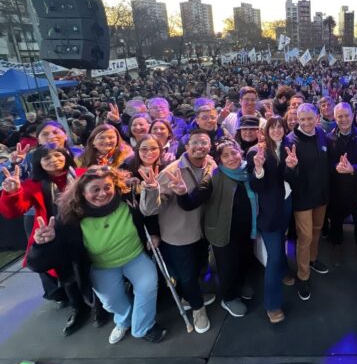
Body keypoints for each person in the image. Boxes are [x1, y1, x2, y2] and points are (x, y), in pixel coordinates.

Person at [26, 165, 166, 345]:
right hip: (101, 266)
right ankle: (124, 320)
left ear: (115, 186)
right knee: (111, 303)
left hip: (135, 256)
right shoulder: (70, 217)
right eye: (95, 189)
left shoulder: (128, 198)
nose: (102, 193)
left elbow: (149, 213)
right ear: (82, 192)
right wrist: (44, 245)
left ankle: (143, 327)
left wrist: (153, 232)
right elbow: (38, 264)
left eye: (107, 187)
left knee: (147, 286)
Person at [0, 145, 92, 335]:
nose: (53, 160)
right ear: (39, 163)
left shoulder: (83, 174)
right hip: (56, 236)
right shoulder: (33, 184)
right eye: (47, 158)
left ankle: (99, 304)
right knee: (68, 275)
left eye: (57, 155)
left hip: (88, 231)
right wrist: (12, 193)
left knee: (94, 269)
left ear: (66, 156)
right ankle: (79, 308)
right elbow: (14, 211)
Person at [170, 139, 260, 321]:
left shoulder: (247, 170)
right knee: (228, 266)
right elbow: (192, 202)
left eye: (234, 153)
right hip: (223, 231)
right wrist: (182, 193)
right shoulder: (214, 176)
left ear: (240, 153)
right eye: (225, 156)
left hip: (246, 229)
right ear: (219, 160)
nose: (231, 158)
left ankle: (239, 286)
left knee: (244, 261)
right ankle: (229, 297)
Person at [139, 129, 217, 334]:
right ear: (186, 146)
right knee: (187, 276)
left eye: (204, 143)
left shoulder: (210, 164)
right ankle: (198, 309)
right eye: (195, 143)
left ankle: (188, 297)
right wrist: (151, 188)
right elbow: (150, 209)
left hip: (202, 232)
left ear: (210, 146)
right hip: (178, 235)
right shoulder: (171, 172)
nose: (200, 146)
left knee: (198, 269)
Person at [248, 117, 295, 323]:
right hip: (269, 211)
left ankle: (284, 271)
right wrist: (258, 170)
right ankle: (272, 305)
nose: (276, 130)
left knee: (282, 240)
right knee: (273, 257)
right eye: (272, 127)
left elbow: (291, 179)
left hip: (286, 203)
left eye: (279, 127)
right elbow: (256, 186)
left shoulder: (288, 148)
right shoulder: (256, 152)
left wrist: (292, 167)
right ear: (265, 130)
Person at [285, 103, 330, 300]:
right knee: (305, 237)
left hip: (321, 195)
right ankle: (303, 275)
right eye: (302, 119)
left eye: (309, 118)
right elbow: (287, 174)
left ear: (317, 118)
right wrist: (291, 168)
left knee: (317, 230)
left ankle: (313, 259)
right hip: (302, 198)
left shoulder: (320, 134)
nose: (306, 123)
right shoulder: (290, 140)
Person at [326, 103, 357, 246]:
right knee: (336, 226)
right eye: (340, 116)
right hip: (337, 189)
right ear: (335, 118)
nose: (344, 119)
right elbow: (325, 162)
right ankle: (335, 247)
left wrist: (354, 169)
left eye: (347, 115)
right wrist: (336, 167)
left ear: (352, 116)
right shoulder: (328, 138)